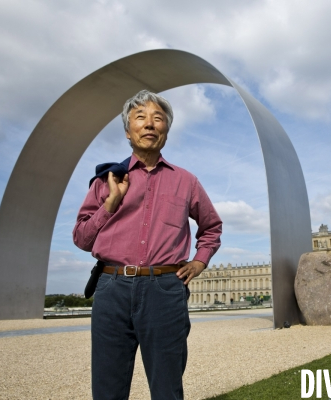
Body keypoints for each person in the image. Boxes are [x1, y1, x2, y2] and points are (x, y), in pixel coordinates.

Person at [73, 90, 222, 400]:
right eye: (140, 118)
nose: (150, 124)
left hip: (165, 288)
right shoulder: (106, 180)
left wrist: (200, 259)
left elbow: (211, 226)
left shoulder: (186, 181)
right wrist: (111, 202)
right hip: (111, 286)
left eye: (158, 119)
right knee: (107, 388)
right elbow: (82, 238)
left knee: (167, 387)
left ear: (166, 131)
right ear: (128, 131)